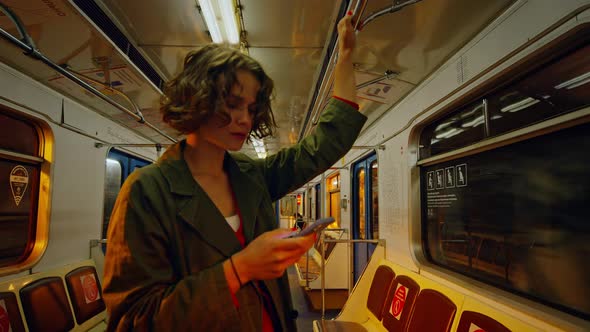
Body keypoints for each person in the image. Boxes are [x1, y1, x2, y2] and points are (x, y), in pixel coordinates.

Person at [102, 12, 366, 332]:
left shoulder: (250, 176)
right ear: (197, 98)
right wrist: (240, 268)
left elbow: (322, 147)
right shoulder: (147, 191)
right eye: (232, 103)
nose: (244, 119)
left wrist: (346, 57)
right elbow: (132, 321)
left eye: (251, 108)